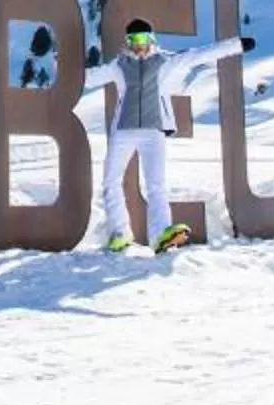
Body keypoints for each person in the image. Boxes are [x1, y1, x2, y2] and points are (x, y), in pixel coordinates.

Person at [90, 15, 250, 253]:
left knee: (156, 184)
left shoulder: (165, 61)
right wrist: (60, 66)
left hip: (153, 131)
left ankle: (160, 235)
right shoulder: (119, 65)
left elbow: (199, 54)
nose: (138, 43)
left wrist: (236, 45)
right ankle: (120, 233)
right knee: (111, 181)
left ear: (151, 39)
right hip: (124, 130)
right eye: (132, 39)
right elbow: (91, 77)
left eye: (142, 38)